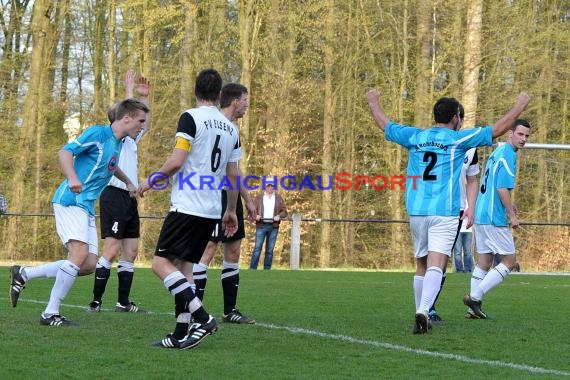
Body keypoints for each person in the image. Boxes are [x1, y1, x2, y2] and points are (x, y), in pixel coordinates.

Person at [366, 88, 530, 334]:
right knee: (438, 262)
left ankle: (421, 310)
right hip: (444, 211)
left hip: (417, 210)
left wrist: (373, 102)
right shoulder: (458, 140)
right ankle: (424, 310)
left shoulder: (416, 136)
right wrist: (519, 106)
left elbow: (386, 125)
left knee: (421, 264)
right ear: (455, 118)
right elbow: (495, 130)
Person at [9, 99, 149, 326]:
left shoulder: (119, 142)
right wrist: (73, 177)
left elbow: (111, 166)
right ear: (126, 118)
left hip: (86, 206)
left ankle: (24, 273)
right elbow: (65, 152)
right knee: (79, 253)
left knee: (88, 264)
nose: (142, 126)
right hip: (70, 199)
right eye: (140, 121)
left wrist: (129, 183)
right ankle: (50, 313)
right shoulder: (98, 133)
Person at [138, 68, 241, 350]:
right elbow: (234, 175)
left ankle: (202, 318)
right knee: (185, 271)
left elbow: (176, 161)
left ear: (195, 90)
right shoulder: (232, 129)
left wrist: (149, 181)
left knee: (160, 264)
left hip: (187, 205)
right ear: (220, 95)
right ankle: (179, 333)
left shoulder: (191, 117)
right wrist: (230, 210)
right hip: (210, 209)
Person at [192, 83, 257, 324]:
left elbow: (235, 171)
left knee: (234, 249)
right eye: (245, 99)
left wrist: (247, 200)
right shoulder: (211, 123)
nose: (247, 104)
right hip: (211, 195)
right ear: (235, 101)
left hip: (231, 196)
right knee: (207, 249)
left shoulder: (234, 131)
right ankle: (195, 309)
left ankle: (230, 310)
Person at [88, 70, 151, 313]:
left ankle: (123, 302)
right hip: (113, 195)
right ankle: (96, 301)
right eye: (136, 121)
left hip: (130, 199)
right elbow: (124, 113)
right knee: (111, 250)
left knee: (131, 251)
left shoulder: (132, 139)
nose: (140, 126)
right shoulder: (115, 137)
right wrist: (128, 92)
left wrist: (144, 98)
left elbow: (140, 117)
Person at [463, 119, 532, 319]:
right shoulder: (508, 154)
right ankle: (474, 297)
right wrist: (511, 215)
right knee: (509, 261)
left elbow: (494, 185)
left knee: (484, 261)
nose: (523, 139)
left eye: (526, 136)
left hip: (482, 214)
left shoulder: (497, 152)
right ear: (510, 133)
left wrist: (510, 205)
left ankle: (472, 310)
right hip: (494, 217)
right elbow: (501, 188)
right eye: (520, 134)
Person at [429, 147, 480, 324]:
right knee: (424, 259)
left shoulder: (471, 149)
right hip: (428, 209)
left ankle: (429, 308)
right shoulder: (430, 141)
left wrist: (471, 207)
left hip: (455, 211)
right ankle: (425, 308)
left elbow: (472, 180)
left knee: (442, 260)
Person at [249, 183, 288, 270]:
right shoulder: (258, 198)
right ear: (265, 187)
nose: (270, 187)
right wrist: (256, 216)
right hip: (261, 225)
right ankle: (252, 269)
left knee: (269, 250)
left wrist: (279, 216)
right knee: (257, 248)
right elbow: (251, 210)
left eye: (272, 186)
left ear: (274, 187)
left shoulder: (279, 198)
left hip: (274, 226)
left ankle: (267, 269)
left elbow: (284, 211)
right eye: (268, 186)